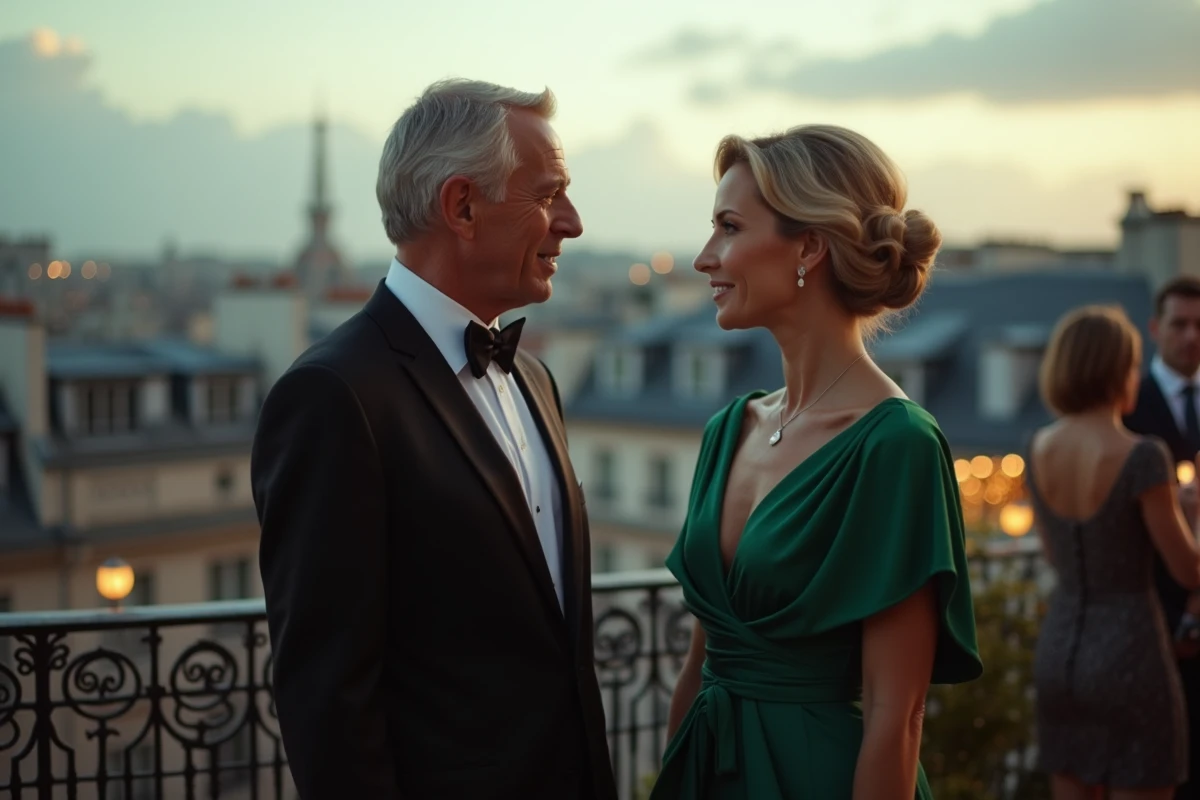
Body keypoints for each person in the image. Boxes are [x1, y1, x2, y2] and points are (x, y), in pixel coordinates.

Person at [251, 79, 617, 800]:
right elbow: (329, 698)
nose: (571, 222)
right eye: (549, 195)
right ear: (462, 206)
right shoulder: (334, 395)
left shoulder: (536, 379)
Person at [650, 125, 982, 800]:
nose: (704, 258)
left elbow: (899, 717)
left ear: (808, 247)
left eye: (729, 227)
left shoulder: (897, 447)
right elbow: (700, 665)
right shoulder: (726, 431)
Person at [1028, 305, 1200, 800]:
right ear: (1114, 369)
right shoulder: (1143, 455)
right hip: (1131, 652)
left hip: (1060, 649)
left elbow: (1057, 558)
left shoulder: (1038, 446)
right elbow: (1188, 571)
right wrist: (1190, 517)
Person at [1124, 277, 1200, 800]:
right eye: (1180, 324)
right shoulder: (1128, 408)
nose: (1192, 336)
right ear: (1155, 329)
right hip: (1152, 617)